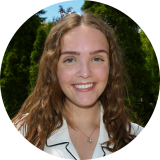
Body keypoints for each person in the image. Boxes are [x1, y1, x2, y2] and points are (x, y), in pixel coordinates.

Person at [11, 12, 144, 159]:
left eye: (97, 58)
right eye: (70, 60)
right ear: (53, 68)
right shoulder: (23, 131)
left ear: (111, 67)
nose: (85, 73)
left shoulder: (135, 135)